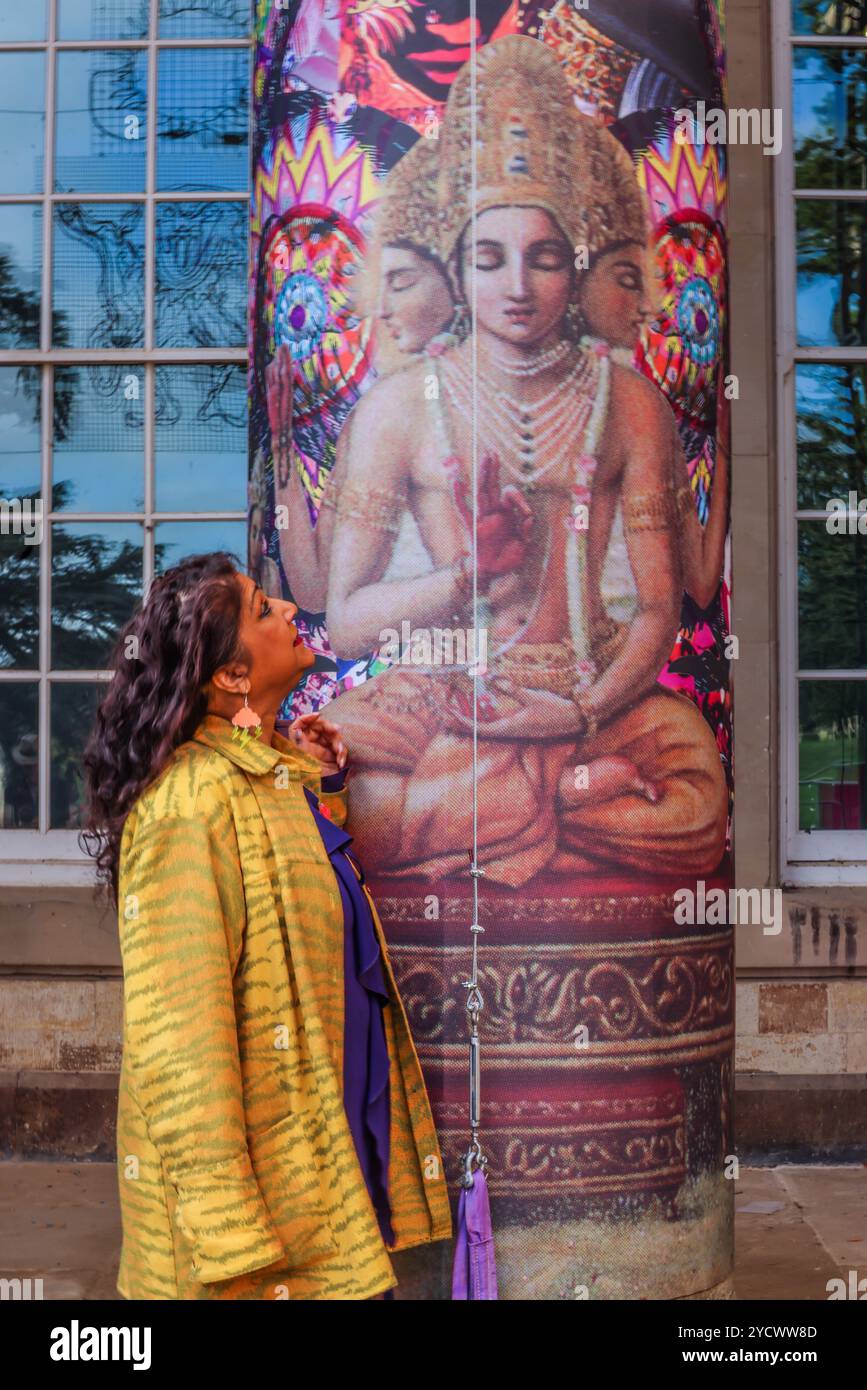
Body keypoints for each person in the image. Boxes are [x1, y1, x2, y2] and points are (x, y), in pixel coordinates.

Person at [317, 34, 728, 887]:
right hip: (436, 695)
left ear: (574, 271)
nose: (516, 286)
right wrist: (462, 578)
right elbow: (348, 620)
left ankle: (518, 796)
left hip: (590, 698)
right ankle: (558, 799)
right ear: (455, 271)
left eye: (543, 259)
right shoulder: (398, 406)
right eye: (487, 258)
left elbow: (656, 612)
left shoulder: (629, 405)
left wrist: (571, 711)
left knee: (698, 809)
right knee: (342, 792)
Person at [81, 552, 452, 1299]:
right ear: (232, 678)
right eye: (260, 609)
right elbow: (178, 1044)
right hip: (253, 1234)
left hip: (319, 1159)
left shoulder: (262, 775)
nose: (285, 608)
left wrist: (318, 782)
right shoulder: (187, 808)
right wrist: (227, 1233)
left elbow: (295, 905)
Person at [268, 136, 457, 612]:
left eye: (404, 282)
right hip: (403, 671)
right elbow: (314, 592)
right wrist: (281, 447)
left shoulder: (549, 398)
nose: (382, 308)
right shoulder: (373, 420)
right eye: (380, 284)